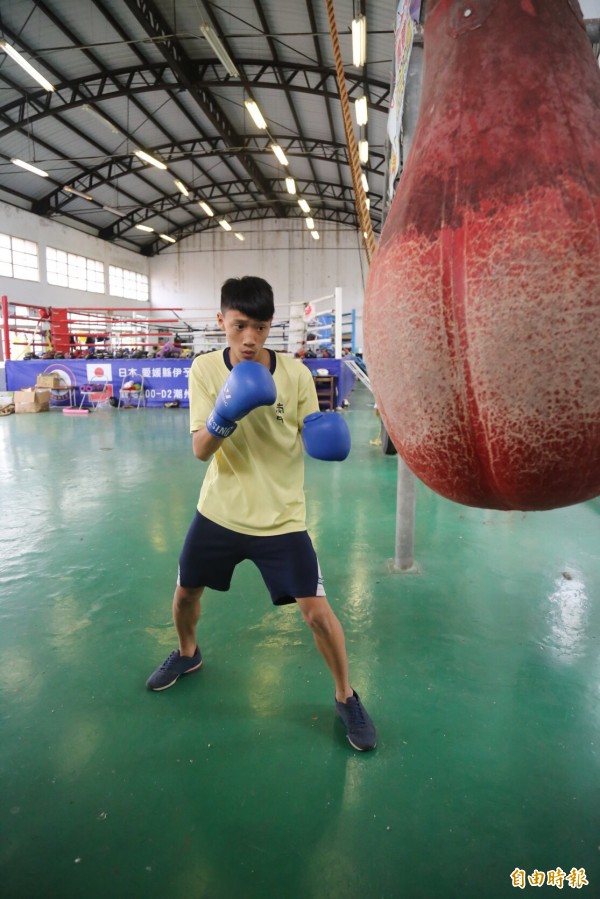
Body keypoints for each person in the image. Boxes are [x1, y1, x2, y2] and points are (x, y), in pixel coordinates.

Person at [146, 276, 376, 752]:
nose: (250, 338)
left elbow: (314, 438)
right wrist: (227, 411)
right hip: (220, 511)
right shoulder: (205, 370)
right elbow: (199, 450)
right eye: (239, 325)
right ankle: (188, 654)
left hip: (282, 518)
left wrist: (326, 439)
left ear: (273, 327)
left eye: (261, 327)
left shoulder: (295, 375)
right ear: (221, 322)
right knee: (186, 592)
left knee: (317, 614)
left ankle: (345, 695)